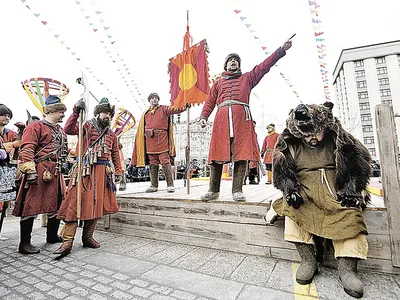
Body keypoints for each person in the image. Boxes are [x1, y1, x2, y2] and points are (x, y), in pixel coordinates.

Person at [271, 102, 371, 298]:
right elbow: (282, 172)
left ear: (324, 127)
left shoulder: (339, 138)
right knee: (292, 213)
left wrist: (352, 190)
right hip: (305, 192)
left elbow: (359, 164)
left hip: (336, 191)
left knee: (351, 217)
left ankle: (347, 270)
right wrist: (290, 190)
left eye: (316, 133)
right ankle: (308, 261)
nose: (312, 139)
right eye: (307, 135)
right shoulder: (288, 143)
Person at [199, 39, 292, 201]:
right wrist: (203, 116)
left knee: (241, 155)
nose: (233, 62)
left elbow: (264, 66)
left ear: (239, 65)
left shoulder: (247, 78)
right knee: (216, 155)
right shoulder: (218, 83)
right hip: (221, 122)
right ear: (225, 65)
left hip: (242, 121)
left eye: (236, 60)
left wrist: (280, 51)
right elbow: (209, 102)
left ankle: (237, 190)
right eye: (230, 60)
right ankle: (213, 191)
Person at [54, 97, 122, 256]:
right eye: (105, 112)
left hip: (103, 174)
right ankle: (67, 241)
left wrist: (118, 171)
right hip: (84, 171)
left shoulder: (111, 134)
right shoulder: (86, 126)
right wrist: (76, 111)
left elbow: (114, 154)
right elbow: (68, 129)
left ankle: (87, 237)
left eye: (110, 114)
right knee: (74, 202)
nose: (108, 116)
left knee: (96, 205)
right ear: (98, 113)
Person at [12, 96, 69, 254]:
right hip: (39, 170)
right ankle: (24, 243)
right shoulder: (36, 126)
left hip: (55, 171)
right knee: (31, 205)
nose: (63, 114)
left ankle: (51, 236)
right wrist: (30, 170)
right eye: (61, 111)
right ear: (51, 110)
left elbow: (64, 150)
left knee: (56, 205)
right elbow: (27, 148)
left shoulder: (59, 130)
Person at [132, 93, 185, 193]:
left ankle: (170, 185)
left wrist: (184, 106)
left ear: (158, 100)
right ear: (149, 100)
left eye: (156, 98)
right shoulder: (146, 113)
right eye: (152, 98)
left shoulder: (163, 109)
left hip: (162, 141)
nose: (154, 100)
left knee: (165, 161)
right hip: (149, 142)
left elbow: (175, 109)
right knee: (153, 163)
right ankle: (154, 185)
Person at [0, 104, 21, 212]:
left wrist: (22, 130)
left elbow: (21, 142)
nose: (6, 117)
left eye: (8, 115)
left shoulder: (10, 133)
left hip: (6, 172)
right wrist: (10, 145)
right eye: (3, 115)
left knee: (4, 207)